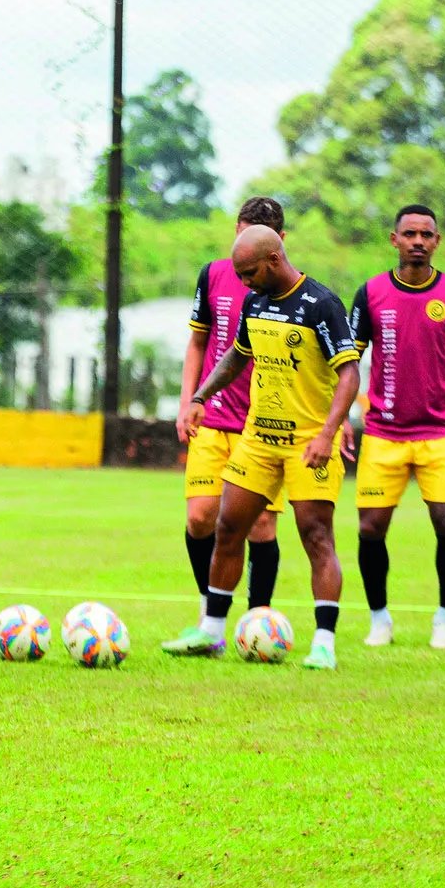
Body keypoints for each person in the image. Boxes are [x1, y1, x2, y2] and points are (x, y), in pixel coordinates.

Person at [185, 225, 361, 670]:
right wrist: (200, 397)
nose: (242, 281)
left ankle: (324, 643)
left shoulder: (322, 304)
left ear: (274, 260)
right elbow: (236, 356)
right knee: (227, 528)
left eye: (248, 272)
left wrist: (327, 434)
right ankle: (211, 631)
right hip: (259, 439)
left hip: (308, 443)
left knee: (316, 537)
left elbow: (350, 375)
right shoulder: (254, 301)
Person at [347, 205, 445, 651]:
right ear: (394, 239)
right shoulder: (370, 294)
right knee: (371, 529)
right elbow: (346, 361)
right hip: (383, 432)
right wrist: (342, 419)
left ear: (437, 241)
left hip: (440, 432)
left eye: (427, 234)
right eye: (410, 234)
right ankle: (379, 618)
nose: (418, 241)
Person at [163, 196, 289, 657]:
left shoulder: (286, 287)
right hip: (213, 419)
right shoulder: (214, 274)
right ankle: (208, 614)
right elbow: (199, 341)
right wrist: (187, 402)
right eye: (242, 231)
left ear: (279, 243)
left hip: (264, 426)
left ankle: (259, 624)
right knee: (200, 518)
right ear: (235, 229)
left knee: (261, 530)